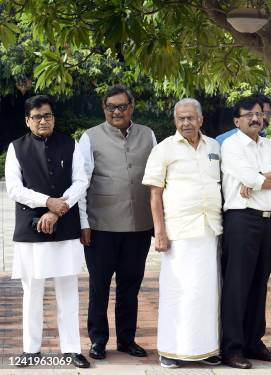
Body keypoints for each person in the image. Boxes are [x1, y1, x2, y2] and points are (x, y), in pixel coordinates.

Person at [5, 95, 90, 368]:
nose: (44, 121)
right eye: (38, 117)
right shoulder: (16, 147)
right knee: (33, 291)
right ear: (28, 120)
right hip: (30, 228)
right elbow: (14, 189)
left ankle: (72, 348)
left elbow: (81, 181)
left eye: (48, 116)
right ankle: (31, 349)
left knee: (68, 288)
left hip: (64, 225)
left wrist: (57, 209)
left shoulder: (70, 144)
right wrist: (46, 203)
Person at [142, 98, 222, 368]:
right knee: (178, 291)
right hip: (178, 232)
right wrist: (160, 232)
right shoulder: (164, 149)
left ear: (201, 120)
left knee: (207, 291)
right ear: (175, 121)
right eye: (181, 118)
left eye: (191, 118)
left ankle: (206, 349)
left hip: (210, 228)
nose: (186, 123)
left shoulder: (214, 147)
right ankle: (170, 350)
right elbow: (155, 195)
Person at [79, 84, 156, 360]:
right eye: (111, 107)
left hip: (138, 227)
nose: (116, 112)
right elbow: (81, 183)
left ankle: (126, 339)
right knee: (99, 287)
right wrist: (83, 222)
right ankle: (98, 340)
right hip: (100, 228)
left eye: (122, 106)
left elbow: (157, 180)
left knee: (130, 286)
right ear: (104, 109)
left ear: (131, 107)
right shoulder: (89, 137)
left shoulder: (148, 134)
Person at [220, 96, 271, 369]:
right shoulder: (231, 146)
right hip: (242, 221)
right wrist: (263, 178)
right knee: (237, 286)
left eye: (259, 113)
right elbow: (252, 179)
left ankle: (253, 342)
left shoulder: (269, 144)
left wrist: (263, 178)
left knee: (258, 285)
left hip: (267, 222)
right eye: (248, 114)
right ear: (236, 120)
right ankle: (232, 348)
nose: (255, 118)